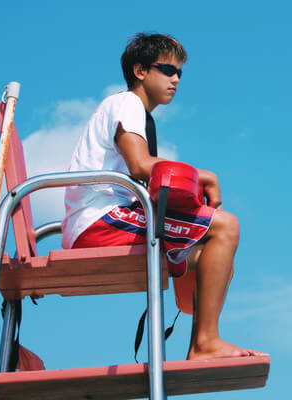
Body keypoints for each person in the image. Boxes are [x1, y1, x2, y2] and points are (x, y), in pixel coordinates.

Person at [61, 33, 264, 360]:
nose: (176, 79)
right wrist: (205, 176)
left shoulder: (138, 115)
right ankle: (205, 343)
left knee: (209, 255)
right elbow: (141, 166)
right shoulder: (126, 103)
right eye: (168, 69)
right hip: (100, 221)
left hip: (106, 219)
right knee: (225, 226)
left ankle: (204, 339)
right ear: (140, 71)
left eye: (180, 73)